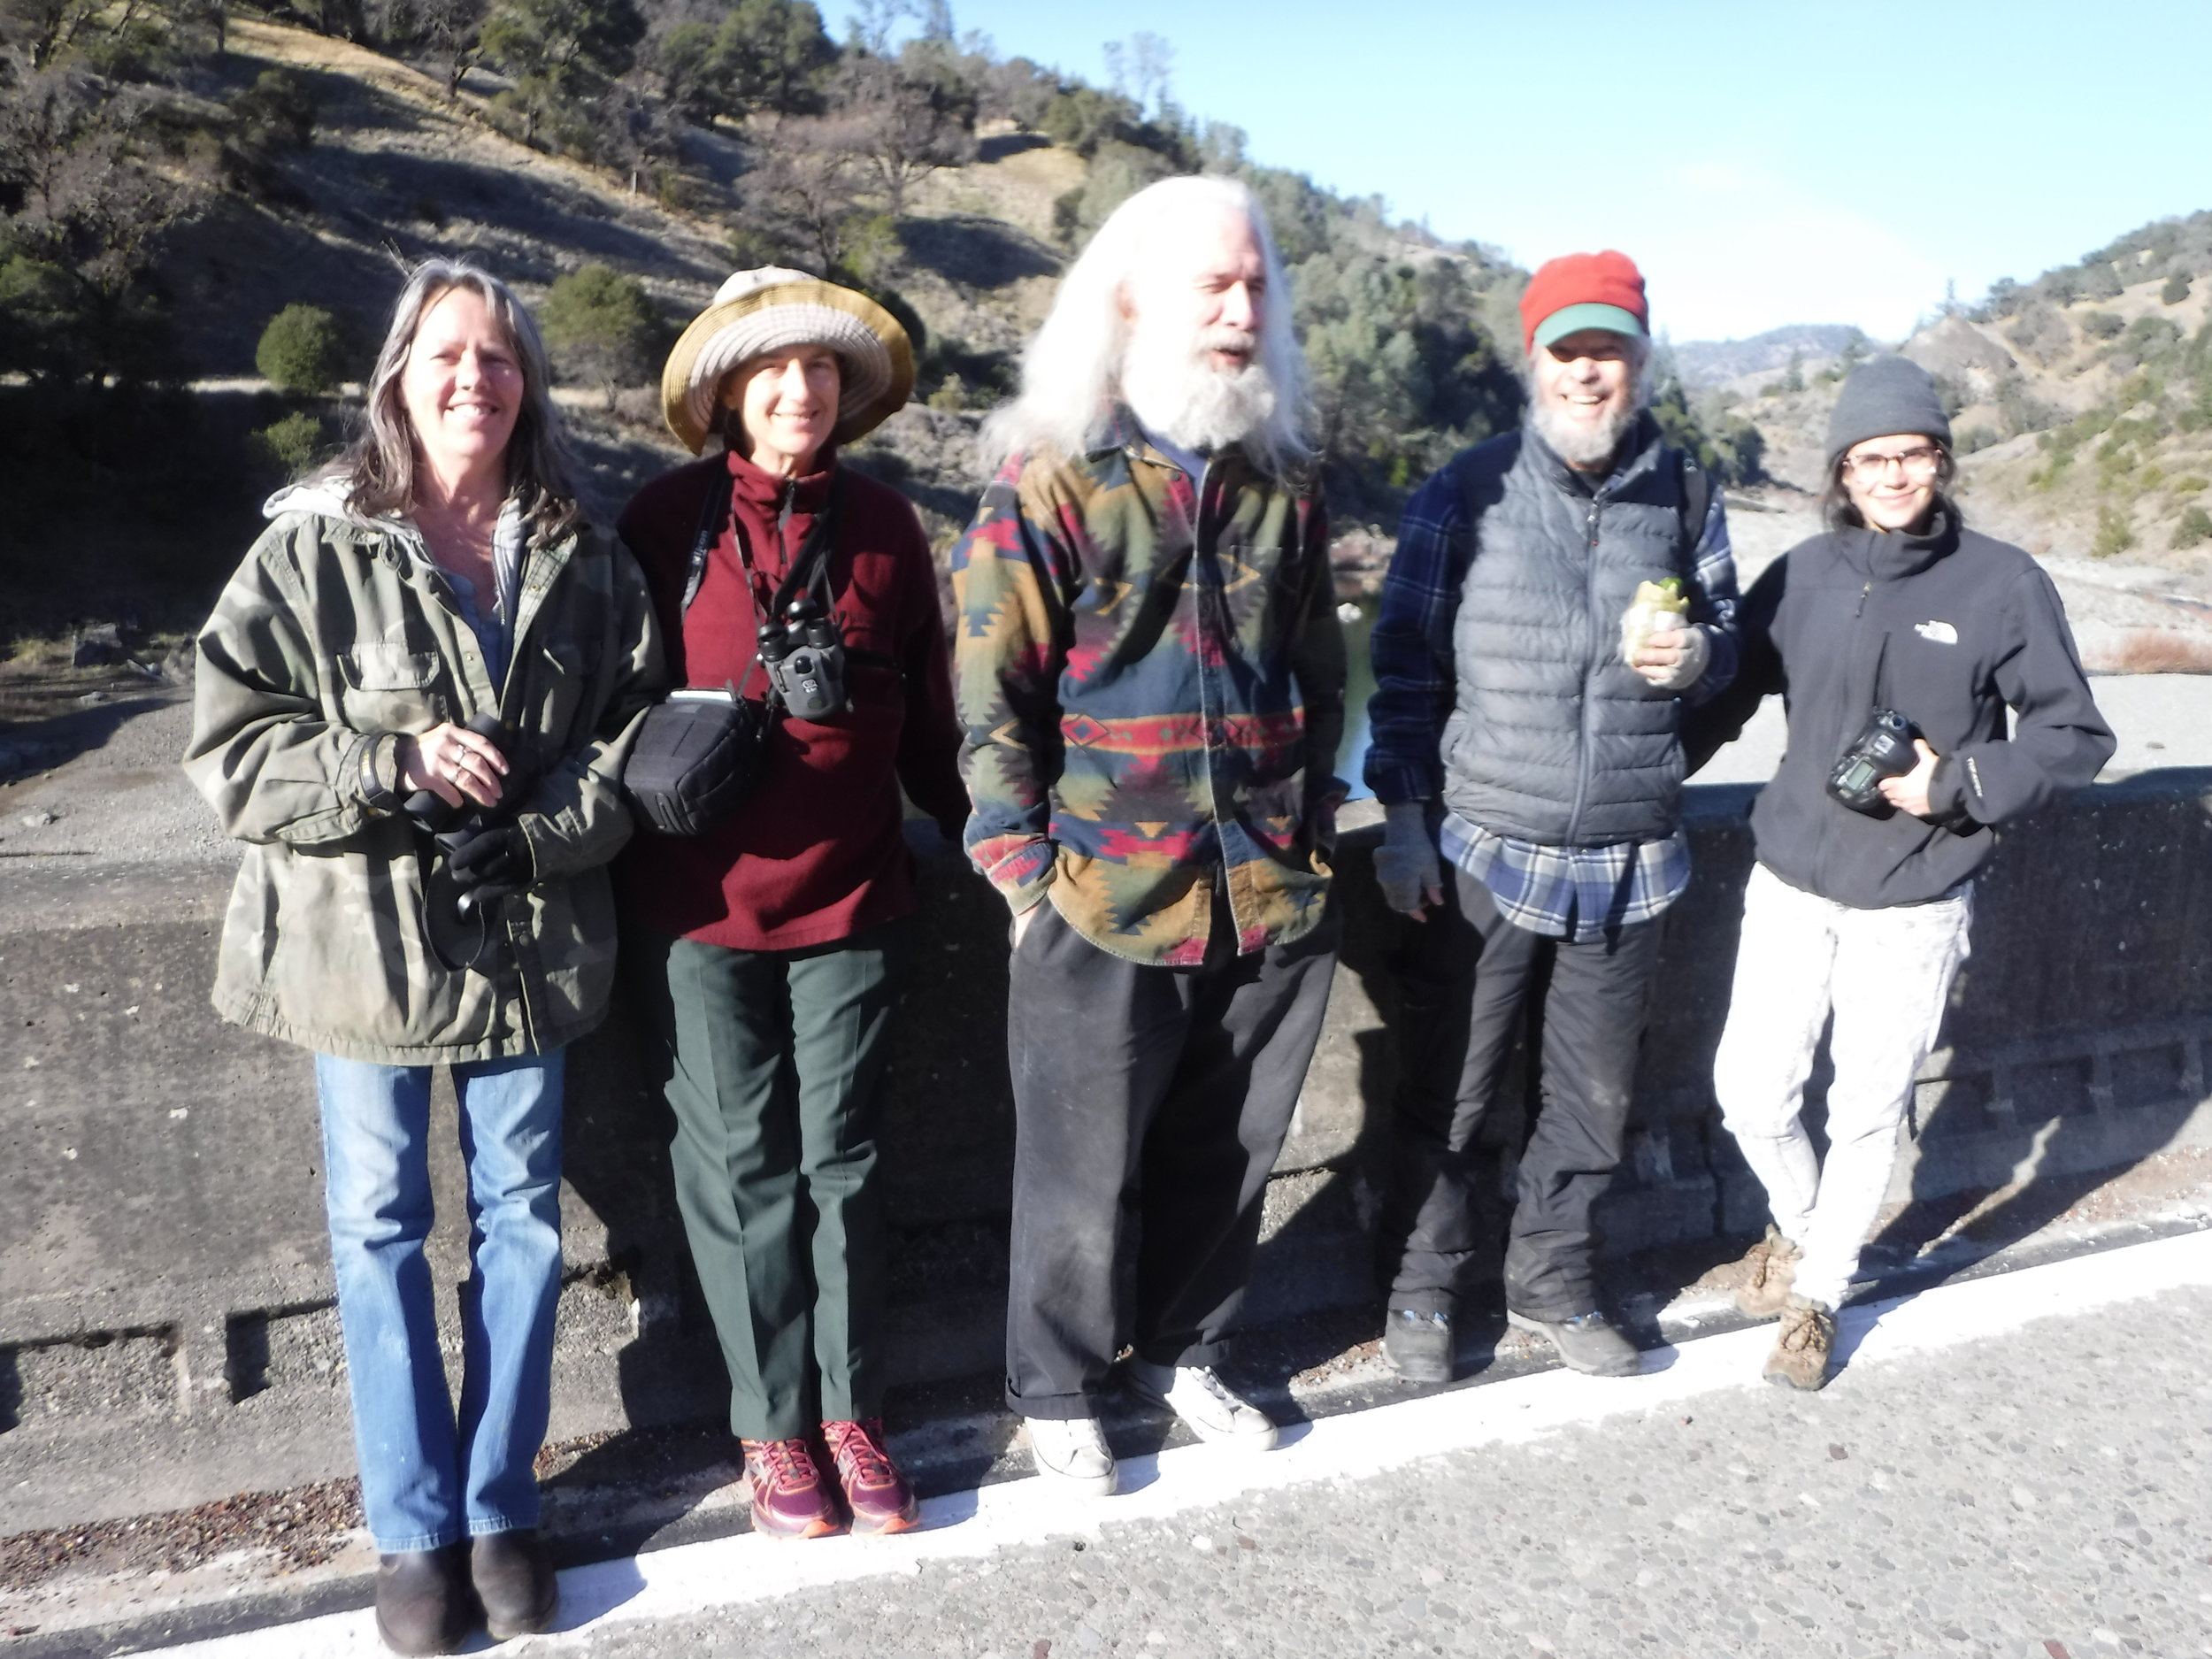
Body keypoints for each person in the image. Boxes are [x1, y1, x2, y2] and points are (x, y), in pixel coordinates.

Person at [183, 259, 661, 1655]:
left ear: (530, 386)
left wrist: (546, 829)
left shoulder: (586, 554)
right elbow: (227, 750)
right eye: (447, 355)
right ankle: (413, 1531)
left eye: (501, 358)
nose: (476, 378)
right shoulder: (309, 546)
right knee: (381, 1227)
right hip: (360, 955)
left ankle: (499, 1505)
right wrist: (387, 759)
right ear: (397, 375)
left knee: (522, 1222)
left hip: (525, 935)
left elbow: (635, 741)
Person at [950, 175, 1346, 1494]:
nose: (1241, 312)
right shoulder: (1052, 473)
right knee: (1078, 1162)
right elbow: (992, 694)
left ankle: (1186, 1349)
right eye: (1211, 287)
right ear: (1130, 299)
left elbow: (1318, 666)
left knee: (1229, 1145)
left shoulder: (1284, 475)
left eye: (1255, 288)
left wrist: (1316, 825)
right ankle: (1059, 1381)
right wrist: (1021, 877)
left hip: (1267, 881)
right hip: (1102, 885)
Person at [615, 269, 966, 1539]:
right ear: (724, 391)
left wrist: (989, 832)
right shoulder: (661, 520)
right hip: (695, 910)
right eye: (770, 369)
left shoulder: (885, 526)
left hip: (857, 895)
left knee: (846, 1163)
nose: (798, 388)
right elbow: (608, 701)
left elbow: (929, 712)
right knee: (740, 1168)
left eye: (818, 368)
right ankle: (771, 1424)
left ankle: (852, 1409)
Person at [1696, 355, 2113, 1389]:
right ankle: (1805, 1234)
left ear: (1940, 459)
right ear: (1841, 471)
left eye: (1911, 454)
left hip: (1916, 893)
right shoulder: (1800, 573)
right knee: (1749, 1092)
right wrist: (1632, 761)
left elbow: (2072, 734)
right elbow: (1726, 694)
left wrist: (1961, 782)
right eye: (1869, 458)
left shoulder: (2002, 582)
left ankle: (1821, 1294)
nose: (1892, 476)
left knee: (1867, 1108)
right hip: (1792, 875)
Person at [1363, 250, 1739, 1384]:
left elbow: (1727, 647)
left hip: (1633, 850)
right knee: (1456, 1091)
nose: (1588, 374)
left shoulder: (1684, 491)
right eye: (1566, 352)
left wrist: (1702, 657)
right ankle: (1424, 1286)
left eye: (1609, 351)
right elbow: (1403, 666)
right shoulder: (1465, 488)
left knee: (1591, 1101)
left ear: (1639, 360)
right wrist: (1403, 819)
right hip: (1484, 840)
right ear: (1533, 362)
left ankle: (1553, 1282)